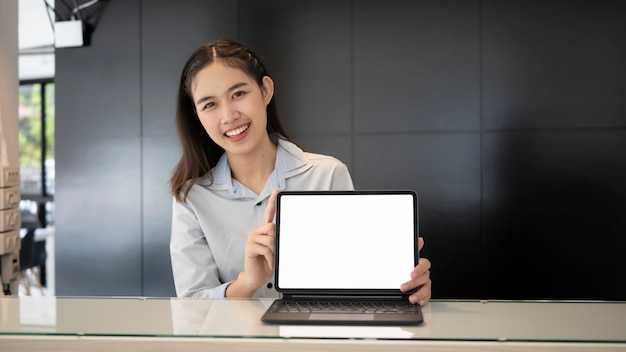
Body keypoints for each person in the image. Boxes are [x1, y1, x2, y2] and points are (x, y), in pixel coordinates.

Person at [169, 39, 432, 305]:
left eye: (238, 94)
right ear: (198, 115)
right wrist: (248, 281)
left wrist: (404, 286)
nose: (228, 116)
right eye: (209, 105)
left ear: (265, 91)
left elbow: (354, 285)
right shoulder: (191, 198)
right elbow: (193, 306)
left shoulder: (327, 175)